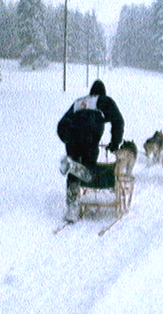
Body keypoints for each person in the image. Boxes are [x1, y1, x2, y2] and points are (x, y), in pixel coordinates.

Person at [57, 80, 124, 223]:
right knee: (88, 165)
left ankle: (72, 207)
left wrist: (67, 140)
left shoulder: (79, 102)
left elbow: (61, 124)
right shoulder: (104, 101)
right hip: (89, 136)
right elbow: (118, 121)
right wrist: (115, 143)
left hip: (72, 136)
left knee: (74, 169)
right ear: (102, 93)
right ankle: (89, 177)